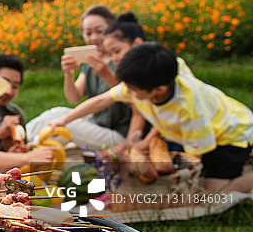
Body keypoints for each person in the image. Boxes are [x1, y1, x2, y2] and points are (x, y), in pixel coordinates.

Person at [46, 42, 253, 193]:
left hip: (232, 135)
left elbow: (197, 157)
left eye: (133, 91)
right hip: (205, 129)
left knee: (214, 196)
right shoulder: (141, 85)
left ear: (159, 89)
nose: (128, 94)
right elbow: (102, 100)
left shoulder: (189, 112)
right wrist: (63, 120)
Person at [26, 5, 133, 150]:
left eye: (99, 31)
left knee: (66, 124)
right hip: (96, 124)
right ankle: (21, 137)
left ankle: (29, 149)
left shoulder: (122, 59)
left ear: (113, 29)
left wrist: (107, 75)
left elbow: (130, 98)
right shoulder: (90, 61)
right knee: (56, 113)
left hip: (120, 133)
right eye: (88, 33)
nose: (93, 37)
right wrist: (68, 74)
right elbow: (74, 97)